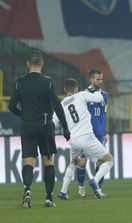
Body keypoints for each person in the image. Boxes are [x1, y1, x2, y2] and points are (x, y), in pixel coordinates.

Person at [8, 50, 70, 208]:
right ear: (42, 64)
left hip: (28, 125)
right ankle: (49, 198)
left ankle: (27, 190)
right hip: (44, 125)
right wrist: (65, 127)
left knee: (28, 160)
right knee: (48, 161)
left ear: (28, 64)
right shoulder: (48, 82)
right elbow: (56, 105)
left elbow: (11, 106)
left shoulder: (19, 82)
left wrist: (23, 114)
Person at [56, 79, 114, 199]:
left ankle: (63, 192)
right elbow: (99, 99)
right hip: (87, 137)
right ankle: (95, 180)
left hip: (73, 140)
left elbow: (54, 123)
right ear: (76, 89)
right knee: (109, 160)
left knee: (73, 163)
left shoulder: (61, 105)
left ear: (65, 90)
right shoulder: (81, 95)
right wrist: (97, 91)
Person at [76, 68, 109, 197]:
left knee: (100, 162)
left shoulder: (104, 95)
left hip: (100, 134)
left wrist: (105, 132)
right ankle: (80, 186)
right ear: (91, 80)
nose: (100, 81)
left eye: (101, 79)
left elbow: (103, 115)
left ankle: (98, 189)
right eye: (98, 79)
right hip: (86, 134)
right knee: (82, 162)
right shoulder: (83, 95)